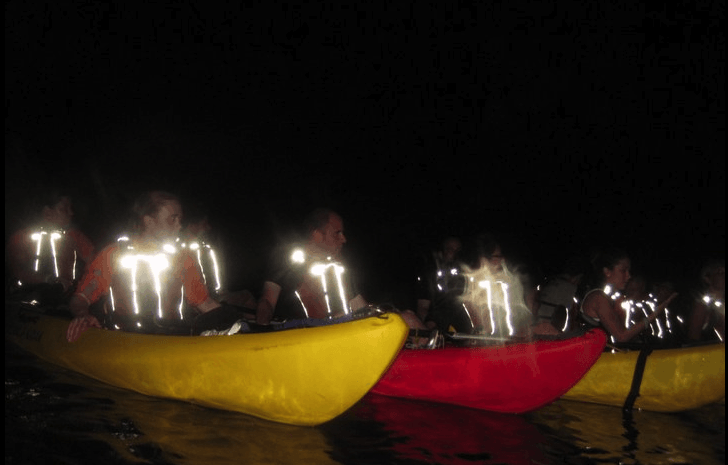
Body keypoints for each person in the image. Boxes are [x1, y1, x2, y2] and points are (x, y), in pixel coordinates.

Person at [66, 190, 247, 342]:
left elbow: (204, 303)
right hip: (123, 336)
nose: (179, 225)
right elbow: (81, 299)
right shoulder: (113, 254)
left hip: (172, 336)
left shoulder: (183, 258)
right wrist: (83, 314)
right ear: (149, 221)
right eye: (172, 219)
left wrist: (236, 322)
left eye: (180, 219)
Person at [255, 208, 426, 329]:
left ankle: (435, 358)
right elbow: (267, 301)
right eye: (337, 233)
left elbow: (360, 307)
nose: (344, 239)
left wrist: (387, 314)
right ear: (317, 235)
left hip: (345, 330)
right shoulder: (289, 260)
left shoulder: (338, 267)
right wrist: (261, 330)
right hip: (309, 334)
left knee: (408, 317)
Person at [6, 189, 95, 308]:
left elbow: (95, 264)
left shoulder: (74, 236)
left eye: (70, 208)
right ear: (47, 212)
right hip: (25, 301)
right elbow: (18, 271)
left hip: (66, 301)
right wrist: (49, 279)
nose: (71, 213)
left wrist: (82, 290)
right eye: (64, 209)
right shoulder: (21, 238)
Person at [579, 248, 676, 343]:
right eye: (623, 271)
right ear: (607, 271)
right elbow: (621, 336)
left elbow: (627, 333)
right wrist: (655, 314)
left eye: (629, 271)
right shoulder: (598, 297)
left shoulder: (615, 299)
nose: (628, 276)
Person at [414, 236, 472, 332]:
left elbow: (470, 305)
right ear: (441, 252)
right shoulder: (430, 274)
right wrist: (427, 332)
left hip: (461, 325)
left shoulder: (465, 274)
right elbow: (422, 308)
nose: (455, 253)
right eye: (450, 249)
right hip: (437, 326)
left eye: (458, 250)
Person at [687, 259, 725, 342]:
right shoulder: (702, 305)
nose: (723, 275)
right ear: (708, 279)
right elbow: (693, 339)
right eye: (719, 272)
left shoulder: (721, 303)